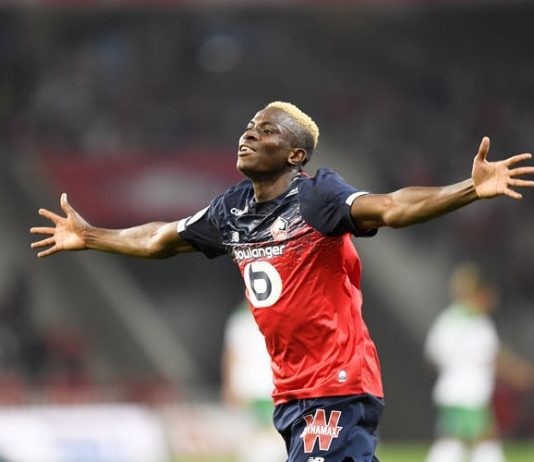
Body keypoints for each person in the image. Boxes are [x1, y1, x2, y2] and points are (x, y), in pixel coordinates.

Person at [30, 101, 534, 462]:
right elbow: (161, 238)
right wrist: (91, 235)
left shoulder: (317, 198)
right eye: (249, 127)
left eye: (266, 130)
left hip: (336, 383)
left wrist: (469, 189)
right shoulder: (231, 209)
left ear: (295, 155)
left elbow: (391, 207)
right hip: (291, 395)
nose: (249, 135)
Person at [424, 262, 534, 462]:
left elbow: (432, 358)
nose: (492, 298)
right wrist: (523, 375)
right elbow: (495, 360)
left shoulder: (447, 320)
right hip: (471, 396)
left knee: (455, 444)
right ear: (478, 293)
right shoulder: (479, 323)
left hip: (450, 392)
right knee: (481, 443)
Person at [222, 298, 286, 462]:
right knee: (260, 441)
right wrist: (229, 385)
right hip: (253, 390)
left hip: (267, 389)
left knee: (269, 441)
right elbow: (231, 354)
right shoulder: (241, 321)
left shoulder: (276, 318)